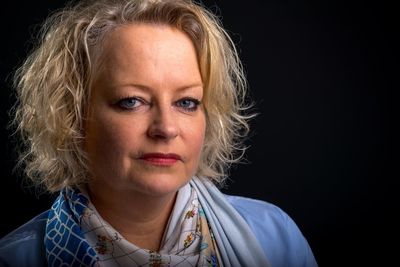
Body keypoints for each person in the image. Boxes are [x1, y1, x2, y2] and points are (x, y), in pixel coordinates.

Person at [0, 0, 318, 266]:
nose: (165, 128)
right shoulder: (14, 259)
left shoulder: (276, 239)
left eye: (187, 102)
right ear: (72, 114)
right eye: (132, 101)